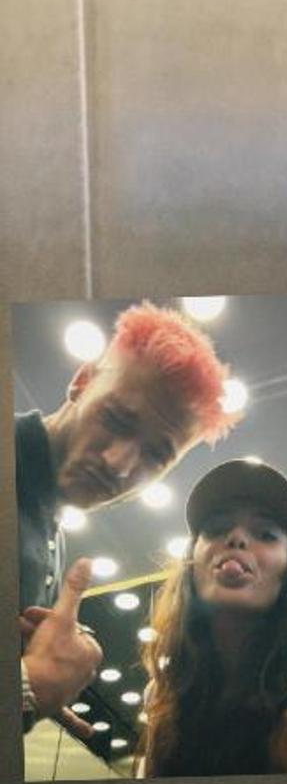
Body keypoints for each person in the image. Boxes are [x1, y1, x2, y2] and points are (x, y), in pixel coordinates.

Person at [18, 300, 238, 730]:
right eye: (116, 419)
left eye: (155, 455)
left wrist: (39, 670)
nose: (118, 465)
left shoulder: (48, 526)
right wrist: (30, 686)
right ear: (82, 382)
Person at [140, 458, 287, 777]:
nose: (236, 538)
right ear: (192, 562)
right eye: (216, 529)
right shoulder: (162, 700)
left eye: (265, 534)